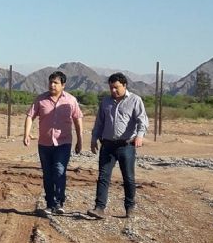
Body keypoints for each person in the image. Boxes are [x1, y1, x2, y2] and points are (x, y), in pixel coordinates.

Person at [87, 72, 148, 220]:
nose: (113, 91)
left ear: (124, 85)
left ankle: (129, 207)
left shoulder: (135, 100)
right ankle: (99, 208)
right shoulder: (106, 101)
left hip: (126, 146)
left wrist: (140, 136)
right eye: (111, 88)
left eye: (116, 87)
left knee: (128, 178)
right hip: (107, 145)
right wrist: (94, 138)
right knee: (103, 177)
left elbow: (143, 121)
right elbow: (99, 122)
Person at [23, 71, 83, 216]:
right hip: (44, 143)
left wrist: (80, 139)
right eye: (50, 82)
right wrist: (26, 134)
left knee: (59, 170)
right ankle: (50, 204)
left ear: (63, 85)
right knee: (48, 174)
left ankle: (59, 202)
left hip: (63, 143)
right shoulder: (41, 100)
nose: (52, 85)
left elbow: (77, 118)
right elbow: (30, 116)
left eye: (56, 83)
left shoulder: (71, 100)